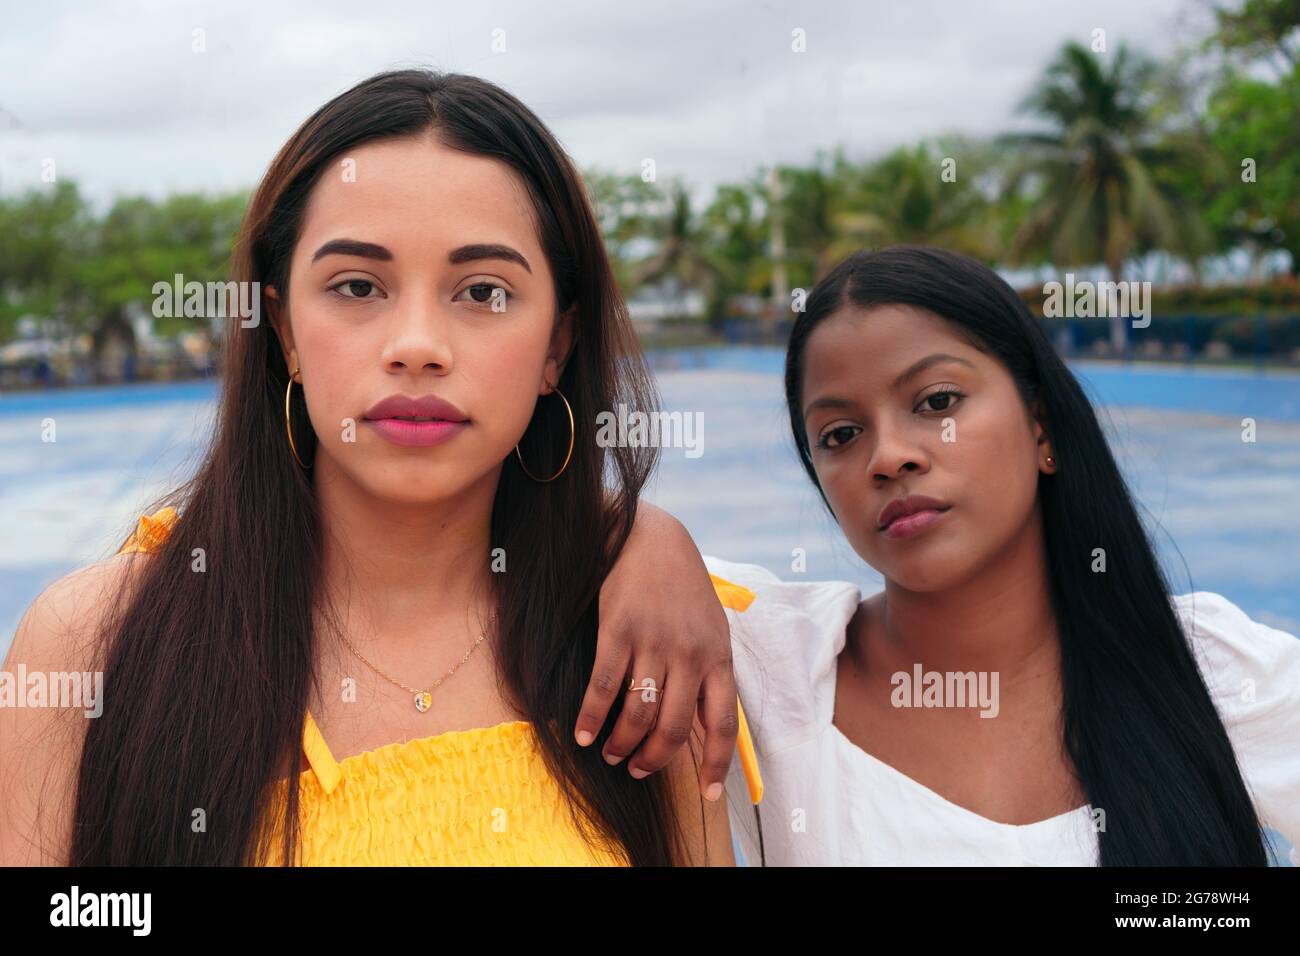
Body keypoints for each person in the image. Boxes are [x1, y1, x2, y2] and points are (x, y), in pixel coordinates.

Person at [0, 70, 740, 867]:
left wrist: (646, 533)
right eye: (357, 285)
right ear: (282, 327)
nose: (417, 344)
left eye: (483, 291)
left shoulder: (641, 649)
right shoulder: (94, 645)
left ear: (556, 346)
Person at [707, 245, 1300, 865]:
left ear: (1040, 425)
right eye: (840, 435)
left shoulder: (1216, 674)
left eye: (937, 402)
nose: (887, 457)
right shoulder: (772, 670)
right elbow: (599, 537)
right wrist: (656, 540)